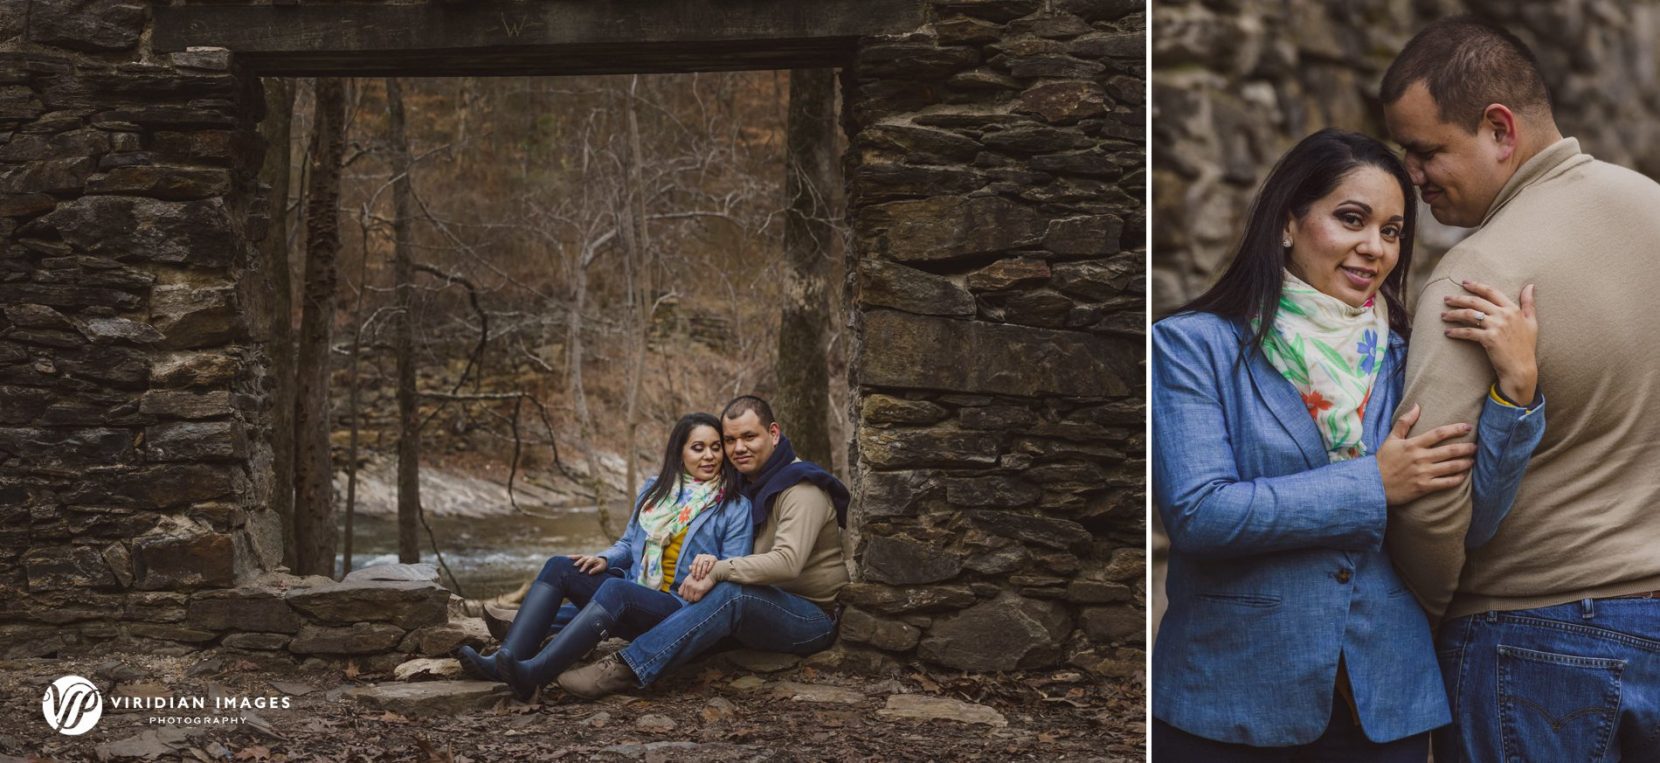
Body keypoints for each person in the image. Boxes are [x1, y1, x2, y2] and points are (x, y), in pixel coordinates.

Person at [1150, 128, 1546, 759]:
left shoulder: (1407, 354)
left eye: (1391, 231)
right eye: (1351, 219)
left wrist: (1517, 392)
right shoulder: (1194, 346)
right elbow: (1200, 513)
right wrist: (1374, 484)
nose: (1374, 249)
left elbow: (1473, 518)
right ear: (1288, 222)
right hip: (1230, 695)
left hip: (1386, 700)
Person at [1381, 16, 1660, 761]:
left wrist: (1431, 615)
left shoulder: (1480, 274)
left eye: (1426, 149)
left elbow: (1431, 488)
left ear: (1499, 131)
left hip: (1527, 644)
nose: (1412, 174)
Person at [555, 395, 850, 698]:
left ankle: (627, 668)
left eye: (749, 437)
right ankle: (549, 622)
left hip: (810, 617)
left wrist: (718, 570)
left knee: (730, 591)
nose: (738, 448)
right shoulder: (746, 481)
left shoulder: (802, 489)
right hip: (762, 605)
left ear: (773, 434)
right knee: (648, 590)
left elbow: (788, 562)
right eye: (730, 440)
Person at [455, 412, 753, 701]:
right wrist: (605, 560)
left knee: (616, 590)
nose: (709, 456)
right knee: (561, 565)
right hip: (636, 592)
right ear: (680, 452)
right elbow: (627, 543)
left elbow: (734, 569)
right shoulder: (656, 490)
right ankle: (504, 661)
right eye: (698, 448)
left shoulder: (734, 505)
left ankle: (535, 673)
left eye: (716, 448)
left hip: (679, 609)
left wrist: (712, 564)